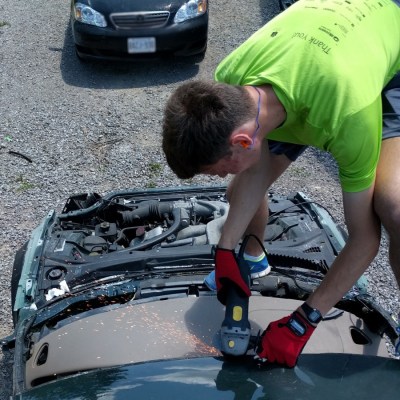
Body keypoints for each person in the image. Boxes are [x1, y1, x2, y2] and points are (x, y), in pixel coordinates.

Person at [162, 0, 400, 367]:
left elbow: (364, 240)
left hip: (381, 55)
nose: (220, 175)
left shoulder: (347, 115)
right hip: (310, 68)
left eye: (217, 168)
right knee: (237, 193)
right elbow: (252, 168)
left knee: (393, 208)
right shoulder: (234, 77)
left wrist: (304, 320)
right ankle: (252, 261)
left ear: (241, 141)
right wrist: (226, 249)